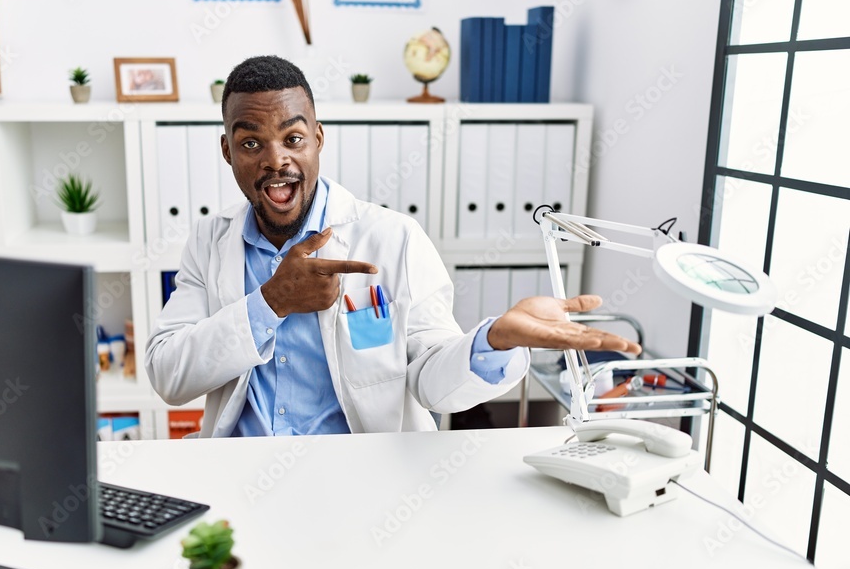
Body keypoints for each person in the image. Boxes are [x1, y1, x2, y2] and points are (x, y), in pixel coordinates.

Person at [145, 55, 641, 438]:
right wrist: (272, 302)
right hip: (244, 468)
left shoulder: (393, 238)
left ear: (318, 139)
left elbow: (429, 378)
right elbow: (169, 374)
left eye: (293, 138)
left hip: (361, 475)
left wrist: (493, 341)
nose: (276, 160)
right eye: (251, 143)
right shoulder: (210, 243)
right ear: (227, 150)